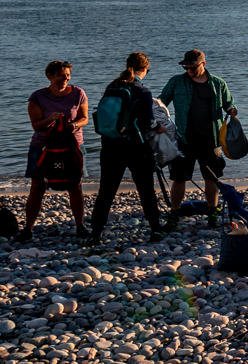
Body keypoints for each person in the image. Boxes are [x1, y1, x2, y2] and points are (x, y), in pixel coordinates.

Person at [89, 52, 163, 244]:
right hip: (136, 146)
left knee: (106, 190)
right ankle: (155, 230)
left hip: (110, 144)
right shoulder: (143, 91)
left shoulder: (111, 86)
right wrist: (159, 128)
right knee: (146, 189)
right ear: (145, 69)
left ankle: (95, 233)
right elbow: (148, 121)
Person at [160, 49, 238, 228]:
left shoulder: (218, 83)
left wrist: (231, 110)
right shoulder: (176, 82)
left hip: (211, 139)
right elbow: (161, 102)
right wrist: (160, 124)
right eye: (186, 67)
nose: (189, 71)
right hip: (183, 140)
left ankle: (212, 215)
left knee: (211, 178)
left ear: (203, 64)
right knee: (179, 178)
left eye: (192, 68)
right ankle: (174, 216)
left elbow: (228, 103)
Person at [21, 60, 89, 241]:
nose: (65, 78)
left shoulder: (78, 93)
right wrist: (50, 119)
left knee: (75, 186)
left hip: (72, 146)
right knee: (37, 188)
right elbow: (36, 126)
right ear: (49, 76)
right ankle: (27, 229)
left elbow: (84, 118)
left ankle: (80, 226)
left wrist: (73, 125)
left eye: (67, 75)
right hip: (43, 147)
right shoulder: (37, 97)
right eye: (60, 75)